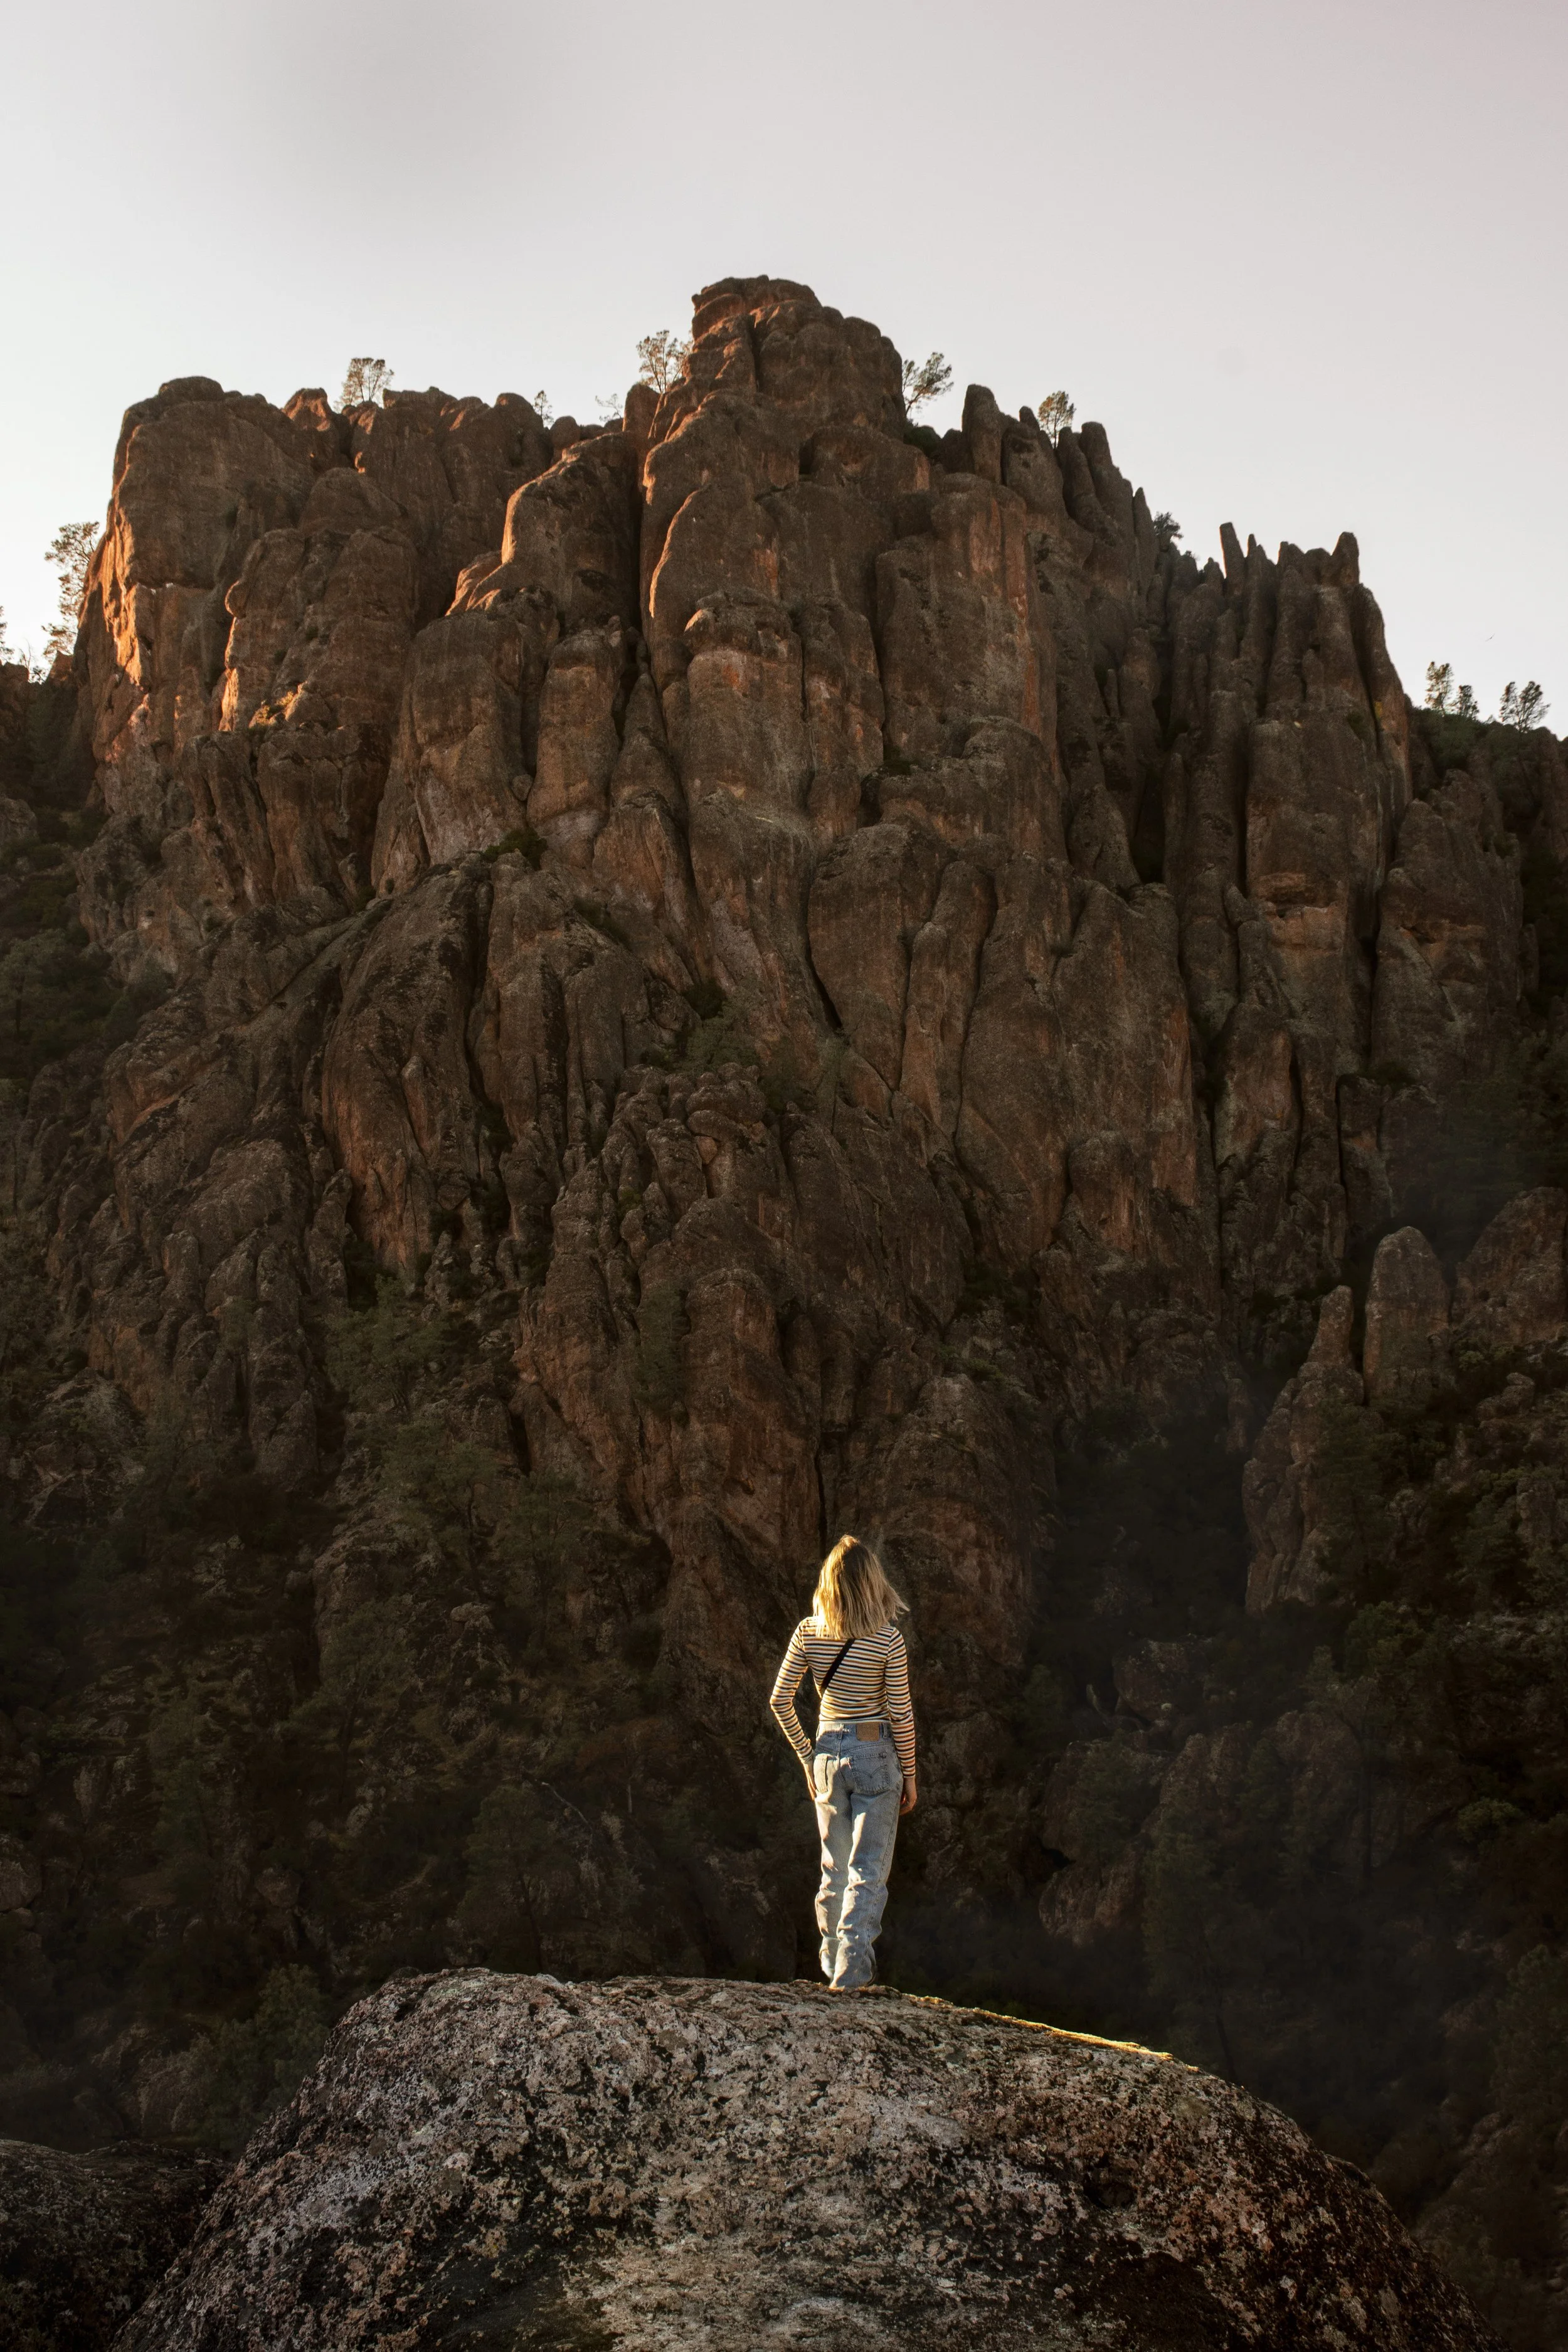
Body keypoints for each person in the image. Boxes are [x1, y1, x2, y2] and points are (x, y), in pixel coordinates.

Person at [769, 1535, 917, 1991]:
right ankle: (851, 1979)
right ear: (872, 1582)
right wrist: (910, 1773)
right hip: (875, 1752)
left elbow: (781, 1701)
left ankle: (832, 1968)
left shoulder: (808, 1631)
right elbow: (900, 1711)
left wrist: (807, 1757)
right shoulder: (887, 1640)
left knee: (833, 1869)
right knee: (868, 1870)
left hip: (827, 1754)